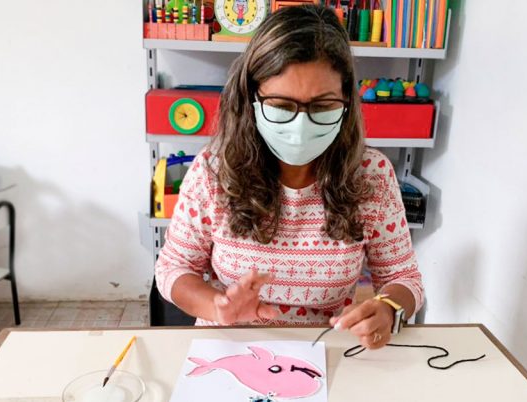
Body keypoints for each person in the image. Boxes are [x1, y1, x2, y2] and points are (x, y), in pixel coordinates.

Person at [155, 5, 423, 350]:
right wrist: (217, 307)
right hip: (230, 345)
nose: (301, 125)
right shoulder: (213, 172)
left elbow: (404, 277)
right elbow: (172, 268)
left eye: (323, 106)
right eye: (281, 106)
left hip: (324, 349)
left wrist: (389, 309)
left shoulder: (372, 176)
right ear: (252, 97)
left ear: (346, 103)